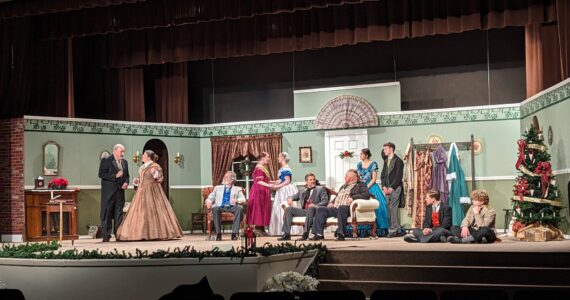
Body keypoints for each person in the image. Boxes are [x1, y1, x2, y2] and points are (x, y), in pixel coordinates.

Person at [116, 150, 183, 241]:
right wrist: (137, 181)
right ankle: (140, 233)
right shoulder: (142, 167)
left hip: (152, 191)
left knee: (154, 212)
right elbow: (142, 179)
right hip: (141, 191)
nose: (142, 156)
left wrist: (154, 173)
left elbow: (160, 178)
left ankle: (156, 233)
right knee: (140, 213)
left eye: (144, 155)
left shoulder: (155, 166)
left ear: (148, 157)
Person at [311, 169, 371, 241]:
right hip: (336, 208)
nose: (344, 177)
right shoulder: (343, 186)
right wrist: (332, 202)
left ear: (354, 178)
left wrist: (353, 198)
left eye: (347, 176)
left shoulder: (360, 185)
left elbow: (367, 195)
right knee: (320, 209)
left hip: (348, 208)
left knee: (342, 208)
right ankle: (318, 234)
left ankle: (341, 233)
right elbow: (338, 196)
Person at [277, 172, 329, 241]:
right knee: (289, 209)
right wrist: (290, 199)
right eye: (310, 180)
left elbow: (325, 201)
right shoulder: (302, 190)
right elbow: (293, 196)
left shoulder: (320, 189)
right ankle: (286, 234)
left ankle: (305, 234)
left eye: (314, 179)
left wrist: (316, 205)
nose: (313, 181)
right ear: (306, 181)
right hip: (304, 211)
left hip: (315, 210)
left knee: (311, 208)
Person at [98, 144, 129, 242]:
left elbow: (127, 175)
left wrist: (126, 183)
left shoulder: (125, 162)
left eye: (123, 152)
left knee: (118, 213)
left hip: (120, 191)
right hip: (109, 192)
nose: (123, 154)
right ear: (115, 151)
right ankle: (106, 235)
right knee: (107, 213)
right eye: (121, 152)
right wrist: (114, 176)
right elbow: (101, 174)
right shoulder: (106, 161)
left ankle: (118, 234)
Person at [357, 148, 390, 236]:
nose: (360, 156)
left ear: (366, 155)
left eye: (361, 154)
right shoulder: (359, 164)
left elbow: (374, 179)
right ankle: (361, 228)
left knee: (377, 207)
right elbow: (358, 177)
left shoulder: (373, 164)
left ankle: (377, 229)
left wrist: (366, 188)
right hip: (361, 186)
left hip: (371, 186)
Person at [205, 171, 246, 241]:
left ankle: (234, 233)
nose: (224, 178)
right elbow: (210, 197)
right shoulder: (217, 188)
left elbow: (243, 199)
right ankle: (218, 234)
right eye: (224, 176)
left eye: (226, 177)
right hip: (220, 206)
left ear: (232, 180)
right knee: (215, 208)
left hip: (232, 207)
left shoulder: (237, 189)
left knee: (240, 208)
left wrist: (237, 201)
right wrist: (209, 201)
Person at [268, 152, 299, 236]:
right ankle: (281, 229)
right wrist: (273, 182)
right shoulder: (282, 168)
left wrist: (277, 186)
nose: (278, 158)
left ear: (283, 157)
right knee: (280, 208)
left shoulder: (286, 168)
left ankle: (290, 230)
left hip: (287, 189)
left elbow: (287, 181)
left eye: (279, 157)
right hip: (283, 188)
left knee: (285, 207)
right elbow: (281, 179)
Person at [380, 142, 405, 238]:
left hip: (395, 188)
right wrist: (384, 187)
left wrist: (391, 188)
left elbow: (399, 177)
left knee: (393, 209)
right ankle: (397, 229)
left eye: (385, 148)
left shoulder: (398, 161)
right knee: (389, 209)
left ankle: (393, 230)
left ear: (391, 149)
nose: (384, 150)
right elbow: (383, 176)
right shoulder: (386, 161)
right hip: (387, 189)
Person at [247, 152, 272, 236]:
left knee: (263, 209)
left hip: (263, 191)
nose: (268, 159)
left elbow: (264, 180)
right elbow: (259, 181)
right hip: (258, 192)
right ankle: (258, 229)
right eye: (267, 157)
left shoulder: (263, 167)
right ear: (262, 158)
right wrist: (269, 185)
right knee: (259, 209)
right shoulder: (259, 168)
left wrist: (272, 182)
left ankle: (262, 229)